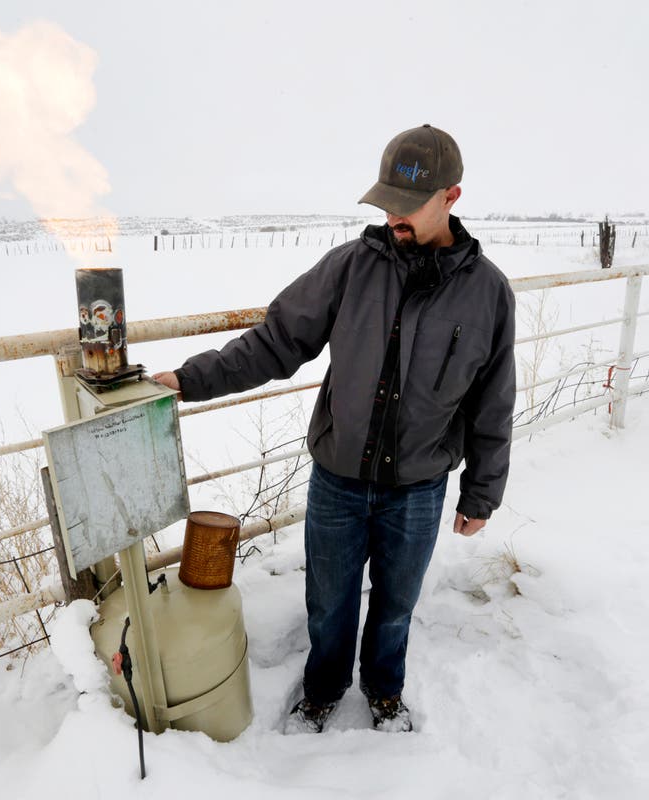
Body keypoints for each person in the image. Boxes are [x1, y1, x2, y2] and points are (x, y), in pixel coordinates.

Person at [153, 124, 515, 734]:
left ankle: (384, 689)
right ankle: (322, 689)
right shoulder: (351, 268)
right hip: (339, 482)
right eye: (387, 203)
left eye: (409, 205)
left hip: (420, 488)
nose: (393, 217)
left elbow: (492, 402)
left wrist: (482, 492)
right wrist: (190, 380)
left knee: (396, 608)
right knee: (330, 604)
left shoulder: (488, 293)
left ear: (451, 197)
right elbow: (276, 343)